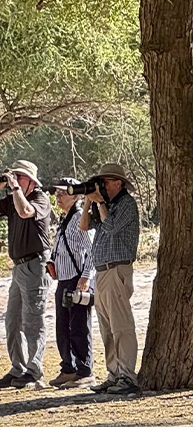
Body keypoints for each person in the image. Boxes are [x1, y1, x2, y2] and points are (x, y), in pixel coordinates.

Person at [0, 160, 52, 389]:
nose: (15, 180)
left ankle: (34, 369)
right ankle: (18, 367)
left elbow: (24, 212)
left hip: (35, 264)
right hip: (19, 267)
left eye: (20, 177)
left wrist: (16, 189)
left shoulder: (40, 199)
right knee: (13, 320)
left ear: (31, 180)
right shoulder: (13, 198)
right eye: (14, 176)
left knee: (33, 320)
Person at [79, 163, 141, 395]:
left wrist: (100, 202)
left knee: (121, 326)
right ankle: (114, 374)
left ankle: (127, 376)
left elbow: (112, 227)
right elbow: (84, 226)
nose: (102, 186)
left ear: (118, 183)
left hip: (117, 270)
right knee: (107, 328)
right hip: (102, 272)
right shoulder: (105, 205)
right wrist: (88, 200)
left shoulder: (126, 204)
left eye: (105, 182)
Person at [46, 178, 96, 389]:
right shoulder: (65, 219)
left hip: (77, 281)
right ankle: (69, 369)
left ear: (76, 196)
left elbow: (93, 250)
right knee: (62, 328)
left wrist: (85, 278)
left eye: (62, 193)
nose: (58, 197)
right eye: (56, 193)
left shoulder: (79, 219)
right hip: (64, 280)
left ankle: (85, 371)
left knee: (78, 327)